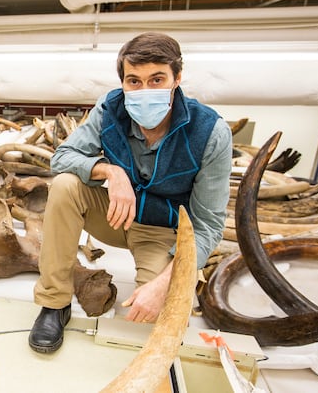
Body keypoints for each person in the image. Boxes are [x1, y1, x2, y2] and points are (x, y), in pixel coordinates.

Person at [28, 32, 232, 354]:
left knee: (159, 330)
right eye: (134, 81)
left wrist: (165, 283)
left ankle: (164, 291)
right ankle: (55, 303)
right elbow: (62, 157)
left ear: (177, 78)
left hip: (163, 234)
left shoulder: (211, 132)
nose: (145, 90)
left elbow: (207, 224)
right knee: (66, 185)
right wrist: (110, 171)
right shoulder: (109, 109)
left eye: (157, 79)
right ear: (123, 82)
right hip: (116, 217)